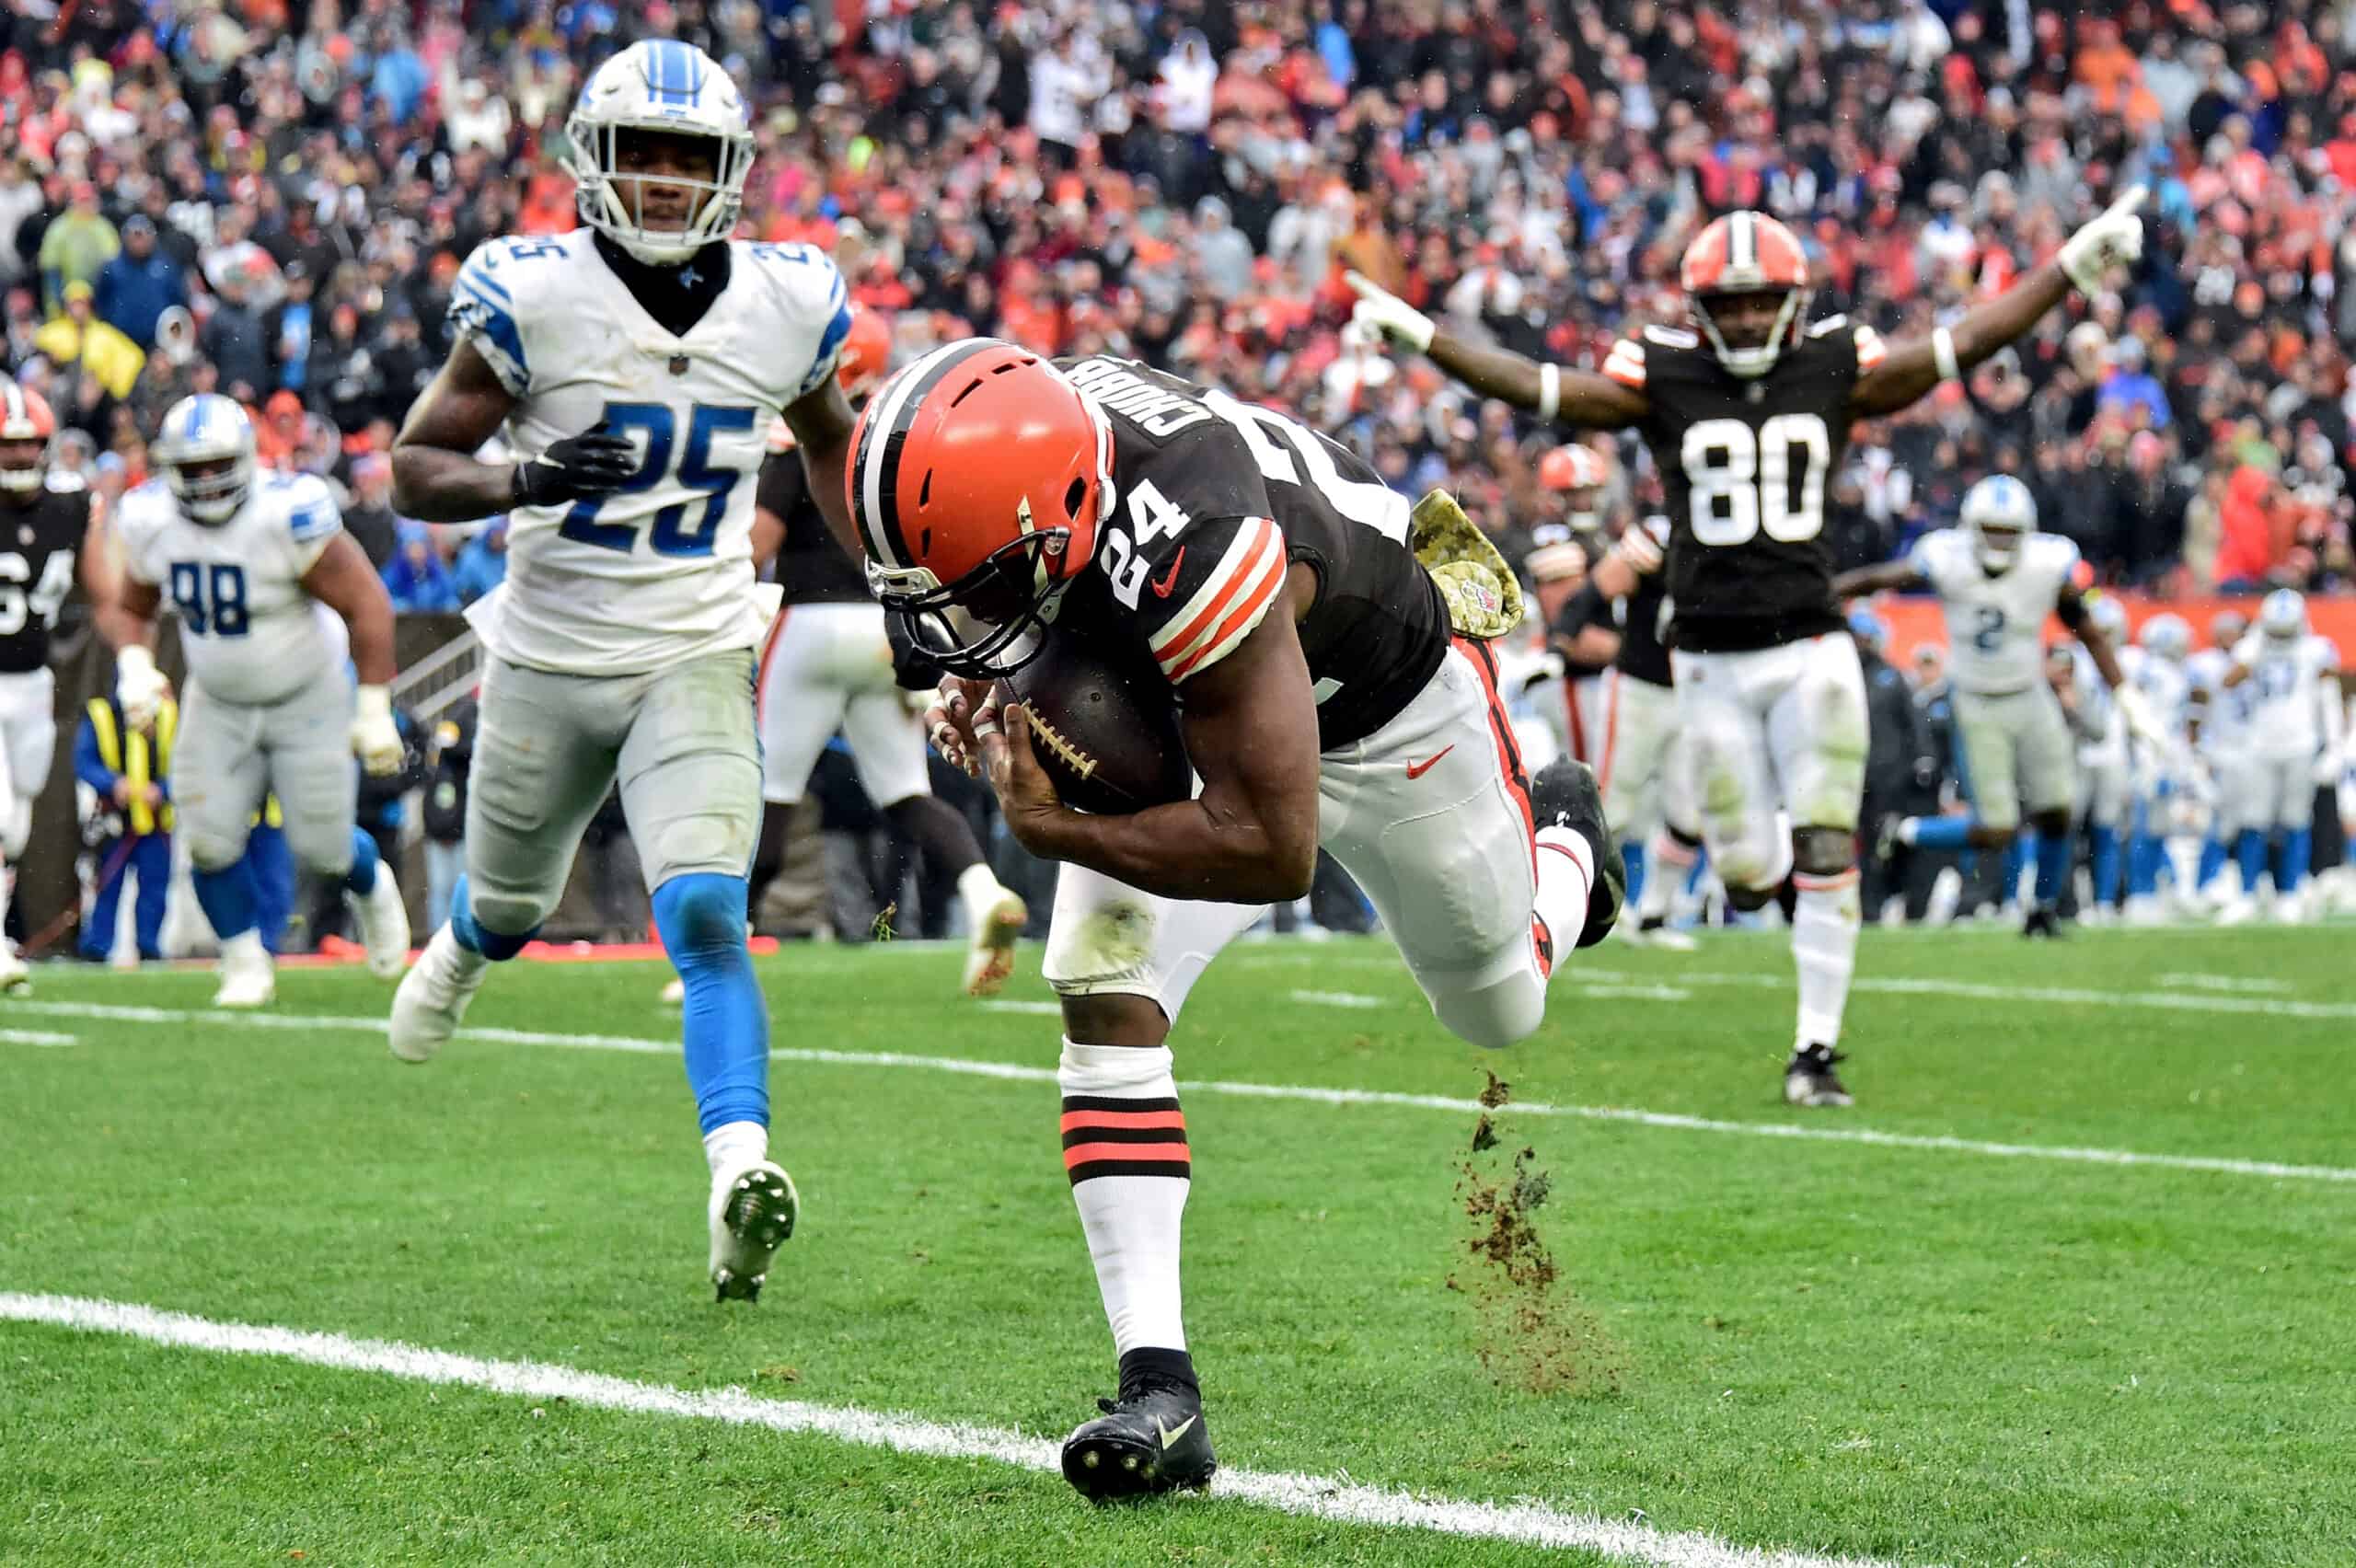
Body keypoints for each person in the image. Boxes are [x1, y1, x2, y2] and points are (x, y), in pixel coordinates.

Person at [860, 343, 1621, 1501]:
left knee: (1497, 1003)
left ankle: (1567, 846)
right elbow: (1032, 586)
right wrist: (1002, 673)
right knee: (1103, 989)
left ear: (1062, 517)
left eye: (981, 585)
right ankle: (1159, 1390)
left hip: (1384, 709)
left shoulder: (1195, 541)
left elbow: (1272, 850)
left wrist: (1057, 826)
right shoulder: (1028, 441)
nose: (956, 617)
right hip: (1194, 673)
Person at [1349, 190, 2149, 1105]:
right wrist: (1424, 339)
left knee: (1820, 838)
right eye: (1725, 304)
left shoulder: (1832, 363)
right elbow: (1547, 388)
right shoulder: (1666, 373)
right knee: (1742, 864)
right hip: (1707, 658)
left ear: (1792, 301)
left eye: (1757, 300)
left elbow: (1954, 348)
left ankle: (1814, 1051)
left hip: (1810, 642)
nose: (1742, 317)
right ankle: (1799, 917)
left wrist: (2068, 271)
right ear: (1696, 309)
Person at [383, 40, 862, 1306]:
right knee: (513, 903)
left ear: (731, 172)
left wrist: (890, 571)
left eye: (687, 158)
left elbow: (831, 449)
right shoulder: (531, 293)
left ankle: (737, 1177)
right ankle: (461, 952)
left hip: (694, 646)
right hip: (544, 653)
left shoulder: (789, 299)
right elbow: (414, 467)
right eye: (640, 154)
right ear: (593, 162)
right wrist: (525, 478)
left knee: (706, 913)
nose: (661, 180)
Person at [722, 304, 1026, 1003]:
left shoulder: (804, 433)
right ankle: (984, 893)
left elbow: (761, 545)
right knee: (907, 794)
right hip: (887, 628)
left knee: (773, 794)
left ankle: (723, 951)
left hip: (808, 627)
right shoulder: (895, 437)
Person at [98, 392, 411, 1007]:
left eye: (220, 464)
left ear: (245, 458)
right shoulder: (150, 518)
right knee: (208, 839)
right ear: (170, 469)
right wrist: (134, 665)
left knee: (323, 848)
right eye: (194, 468)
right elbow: (133, 606)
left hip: (308, 693)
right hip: (218, 696)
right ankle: (244, 961)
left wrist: (373, 709)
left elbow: (367, 601)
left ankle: (372, 884)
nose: (209, 481)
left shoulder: (286, 512)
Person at [1834, 476, 2164, 937]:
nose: (1999, 541)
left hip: (2029, 695)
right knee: (1998, 828)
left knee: (2058, 811)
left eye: (2009, 532)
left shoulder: (2046, 564)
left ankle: (2043, 909)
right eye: (1991, 530)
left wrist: (2126, 696)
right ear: (1971, 527)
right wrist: (1829, 590)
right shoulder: (1946, 558)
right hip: (1975, 699)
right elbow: (1881, 577)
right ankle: (1908, 833)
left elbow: (2085, 628)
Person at [0, 381, 109, 988]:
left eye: (28, 445)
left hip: (33, 681)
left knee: (17, 826)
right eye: (7, 446)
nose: (19, 457)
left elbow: (105, 589)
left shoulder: (69, 507)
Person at [2217, 591, 2343, 923]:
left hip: (2300, 743)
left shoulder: (2316, 650)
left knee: (2295, 822)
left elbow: (2330, 701)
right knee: (2253, 822)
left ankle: (2289, 893)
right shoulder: (2254, 647)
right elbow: (2228, 681)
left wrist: (2333, 746)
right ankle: (2246, 894)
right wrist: (2255, 646)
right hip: (2260, 744)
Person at [74, 685, 173, 963]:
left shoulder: (169, 714)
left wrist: (163, 790)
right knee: (106, 885)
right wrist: (113, 783)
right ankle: (96, 947)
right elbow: (83, 761)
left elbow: (187, 762)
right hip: (113, 821)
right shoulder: (100, 714)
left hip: (157, 823)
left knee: (155, 889)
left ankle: (150, 947)